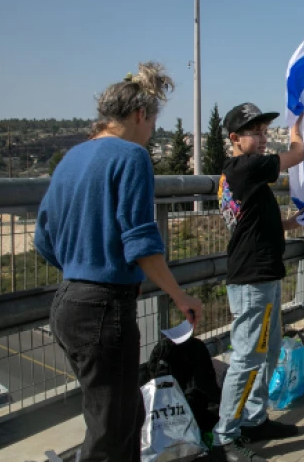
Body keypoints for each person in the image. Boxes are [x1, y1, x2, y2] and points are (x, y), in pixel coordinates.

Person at [34, 62, 204, 462]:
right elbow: (142, 243)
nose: (150, 134)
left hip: (69, 303)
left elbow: (44, 239)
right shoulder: (132, 157)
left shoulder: (71, 159)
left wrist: (85, 261)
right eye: (152, 124)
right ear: (140, 114)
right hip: (104, 309)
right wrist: (181, 298)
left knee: (117, 415)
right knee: (112, 432)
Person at [212, 103, 304, 462]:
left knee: (267, 351)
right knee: (248, 357)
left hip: (261, 273)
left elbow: (249, 221)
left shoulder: (236, 174)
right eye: (257, 132)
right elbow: (297, 155)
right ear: (235, 139)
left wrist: (286, 226)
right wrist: (297, 132)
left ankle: (254, 419)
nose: (265, 138)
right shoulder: (246, 166)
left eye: (267, 131)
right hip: (253, 278)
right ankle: (225, 435)